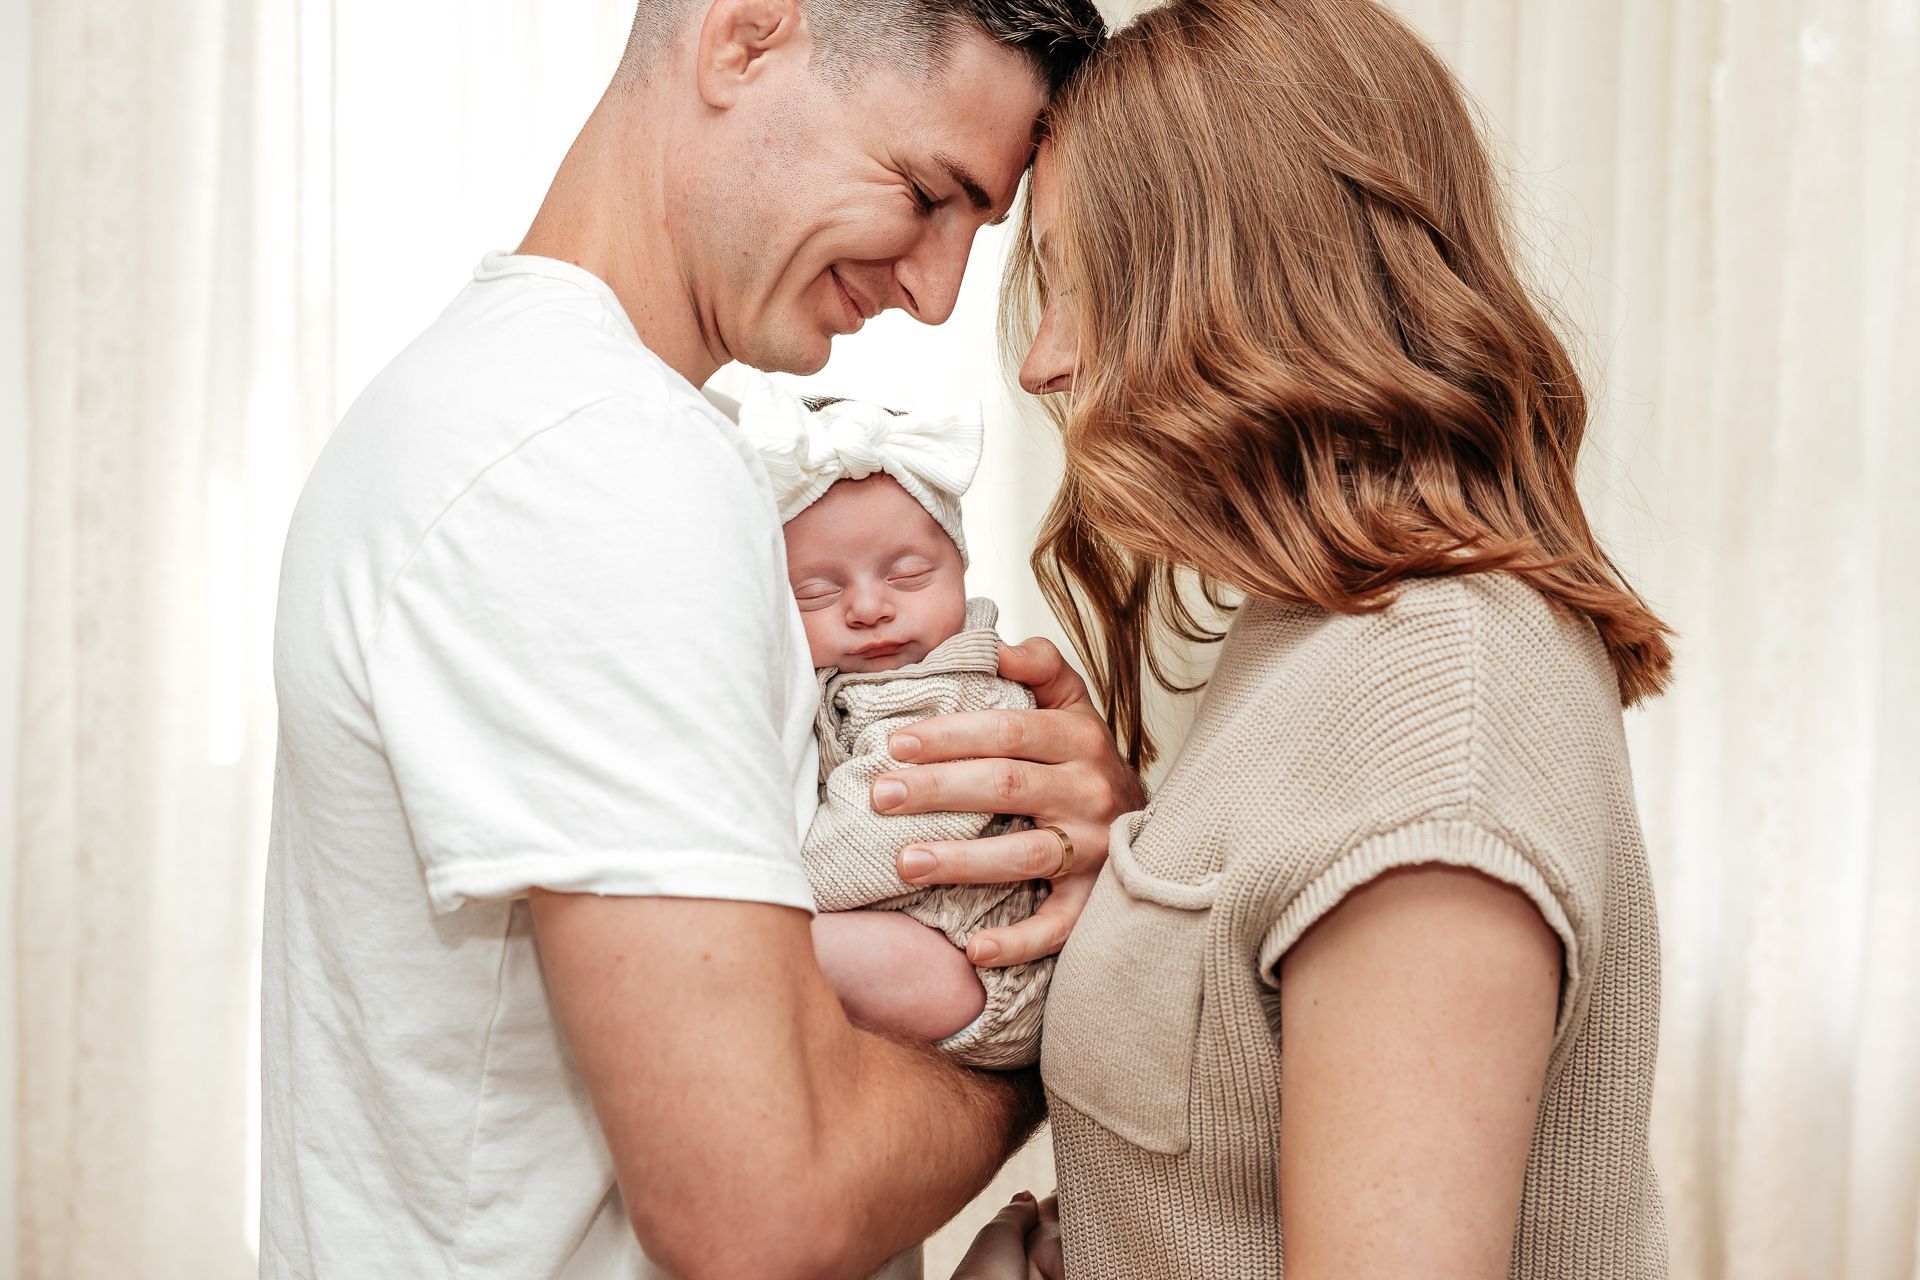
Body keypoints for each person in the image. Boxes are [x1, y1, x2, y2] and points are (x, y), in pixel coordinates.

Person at [260, 2, 1131, 1277]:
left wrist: (1023, 848)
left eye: (978, 231)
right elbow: (757, 1211)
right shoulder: (596, 462)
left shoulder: (510, 408)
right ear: (746, 37)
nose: (941, 296)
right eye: (926, 192)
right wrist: (1036, 1031)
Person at [939, 0, 1676, 1275]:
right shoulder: (1323, 625)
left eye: (1077, 283)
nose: (1042, 361)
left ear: (1235, 284)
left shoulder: (1437, 728)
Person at [740, 374, 1058, 1068]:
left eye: (909, 575)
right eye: (818, 590)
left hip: (977, 969)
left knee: (754, 947)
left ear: (962, 567)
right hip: (919, 953)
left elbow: (872, 843)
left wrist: (757, 892)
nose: (869, 608)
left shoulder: (952, 693)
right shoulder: (832, 682)